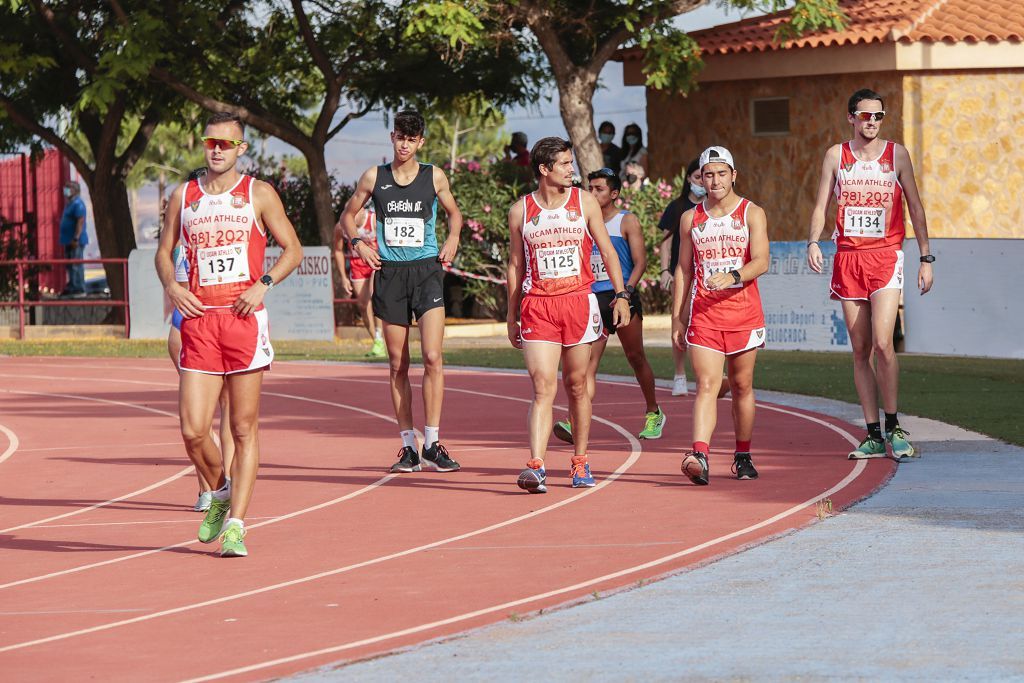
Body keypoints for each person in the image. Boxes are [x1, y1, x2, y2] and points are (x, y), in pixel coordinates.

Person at [155, 111, 303, 557]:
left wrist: (264, 283)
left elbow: (292, 249)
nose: (216, 149)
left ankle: (236, 523)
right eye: (210, 142)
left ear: (242, 149)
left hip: (243, 322)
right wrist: (173, 285)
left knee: (243, 428)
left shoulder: (258, 193)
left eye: (226, 143)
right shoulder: (185, 195)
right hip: (200, 321)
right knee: (193, 429)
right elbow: (164, 253)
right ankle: (220, 492)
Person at [807, 88, 933, 461]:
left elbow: (916, 206)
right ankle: (872, 433)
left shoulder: (897, 155)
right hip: (848, 258)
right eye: (865, 116)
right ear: (851, 118)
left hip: (886, 256)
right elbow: (820, 204)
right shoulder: (836, 156)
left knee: (883, 343)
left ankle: (894, 426)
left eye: (878, 116)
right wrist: (813, 241)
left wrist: (926, 258)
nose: (872, 122)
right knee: (860, 349)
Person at [340, 109, 463, 474]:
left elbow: (454, 213)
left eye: (412, 139)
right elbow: (348, 216)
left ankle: (433, 442)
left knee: (432, 357)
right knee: (398, 364)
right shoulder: (374, 176)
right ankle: (409, 446)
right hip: (391, 274)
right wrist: (359, 243)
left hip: (426, 271)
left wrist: (454, 236)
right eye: (399, 137)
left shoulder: (433, 176)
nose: (404, 144)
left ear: (421, 141)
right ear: (392, 137)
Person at [506, 137, 631, 493]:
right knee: (542, 385)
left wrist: (621, 295)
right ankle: (536, 465)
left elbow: (607, 252)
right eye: (564, 164)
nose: (571, 169)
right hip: (538, 306)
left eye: (570, 162)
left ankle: (580, 461)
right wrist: (511, 314)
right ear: (544, 169)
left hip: (578, 302)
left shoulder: (584, 202)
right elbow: (516, 265)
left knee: (576, 386)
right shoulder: (521, 211)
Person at [671, 146, 769, 485]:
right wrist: (677, 318)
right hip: (704, 316)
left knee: (741, 385)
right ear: (701, 178)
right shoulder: (691, 218)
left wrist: (733, 276)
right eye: (707, 175)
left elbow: (762, 260)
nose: (714, 181)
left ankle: (743, 455)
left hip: (744, 314)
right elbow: (684, 269)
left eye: (721, 173)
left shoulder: (751, 213)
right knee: (707, 385)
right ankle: (699, 454)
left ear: (733, 175)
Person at [552, 167, 665, 444]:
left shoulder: (626, 221)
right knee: (586, 366)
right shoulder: (580, 221)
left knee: (635, 357)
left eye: (599, 189)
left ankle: (654, 412)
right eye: (590, 188)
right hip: (590, 299)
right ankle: (574, 419)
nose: (592, 193)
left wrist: (626, 292)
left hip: (621, 297)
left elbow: (640, 262)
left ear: (614, 194)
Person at [167, 240, 234, 512]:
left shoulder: (183, 239)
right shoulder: (184, 244)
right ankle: (217, 486)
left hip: (200, 327)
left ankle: (212, 488)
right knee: (213, 416)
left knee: (206, 415)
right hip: (204, 327)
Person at [658, 157, 703, 395]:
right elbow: (666, 242)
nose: (702, 182)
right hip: (682, 275)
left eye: (704, 177)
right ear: (688, 179)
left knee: (706, 325)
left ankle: (707, 376)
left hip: (708, 277)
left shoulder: (714, 208)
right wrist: (665, 270)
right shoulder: (677, 207)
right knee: (679, 322)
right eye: (697, 177)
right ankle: (679, 374)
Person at [333, 202, 385, 357]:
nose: (351, 217)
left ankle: (380, 334)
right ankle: (378, 341)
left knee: (375, 295)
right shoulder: (341, 226)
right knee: (362, 304)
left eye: (354, 213)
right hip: (358, 265)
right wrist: (343, 277)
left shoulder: (374, 220)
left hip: (377, 262)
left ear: (362, 210)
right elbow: (337, 250)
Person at [59, 181, 89, 298]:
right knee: (70, 265)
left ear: (75, 190)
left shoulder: (78, 203)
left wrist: (76, 238)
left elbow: (80, 221)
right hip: (67, 241)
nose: (66, 190)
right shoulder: (70, 204)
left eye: (69, 188)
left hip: (76, 241)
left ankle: (79, 288)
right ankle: (72, 286)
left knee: (76, 264)